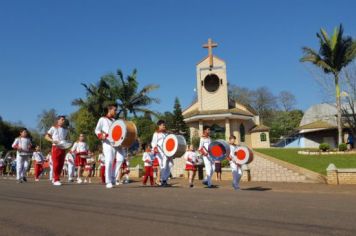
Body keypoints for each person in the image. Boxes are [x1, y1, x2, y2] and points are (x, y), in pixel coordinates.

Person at [95, 103, 125, 189]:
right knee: (109, 161)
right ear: (109, 110)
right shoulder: (102, 119)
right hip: (107, 143)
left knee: (121, 158)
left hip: (116, 143)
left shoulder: (114, 121)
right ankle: (108, 181)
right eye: (114, 110)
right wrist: (101, 135)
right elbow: (97, 130)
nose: (116, 112)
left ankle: (112, 177)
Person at [45, 115, 69, 186]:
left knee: (61, 164)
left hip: (63, 148)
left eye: (64, 120)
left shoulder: (66, 130)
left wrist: (67, 143)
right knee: (56, 163)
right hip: (55, 147)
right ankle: (56, 179)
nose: (63, 121)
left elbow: (67, 139)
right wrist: (52, 140)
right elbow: (46, 136)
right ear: (58, 120)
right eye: (62, 119)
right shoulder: (53, 128)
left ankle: (55, 178)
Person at [151, 120, 173, 187]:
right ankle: (163, 181)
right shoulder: (156, 133)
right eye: (163, 125)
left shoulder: (166, 134)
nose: (164, 126)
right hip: (160, 152)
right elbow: (153, 142)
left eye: (164, 125)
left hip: (167, 152)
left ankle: (164, 179)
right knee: (163, 166)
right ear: (159, 126)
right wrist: (155, 148)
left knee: (170, 164)